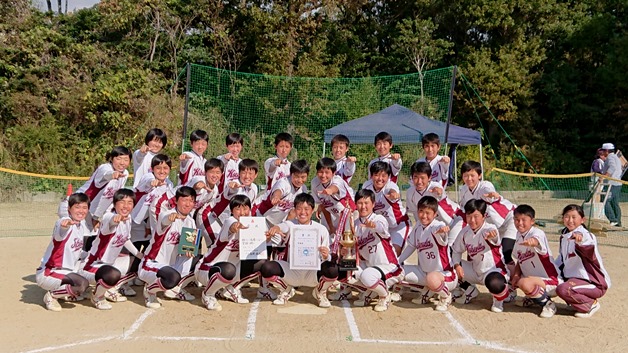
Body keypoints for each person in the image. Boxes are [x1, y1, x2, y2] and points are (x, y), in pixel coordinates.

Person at [260, 193, 339, 307]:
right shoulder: (291, 224)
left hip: (312, 273)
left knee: (333, 270)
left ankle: (320, 292)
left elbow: (328, 256)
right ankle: (286, 290)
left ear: (312, 210)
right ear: (295, 210)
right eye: (299, 209)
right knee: (267, 268)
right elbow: (283, 226)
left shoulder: (321, 229)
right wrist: (276, 228)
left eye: (306, 209)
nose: (302, 212)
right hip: (292, 271)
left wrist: (326, 255)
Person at [334, 189, 403, 312]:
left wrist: (373, 226)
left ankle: (384, 295)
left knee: (367, 276)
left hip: (390, 267)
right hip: (370, 267)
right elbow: (355, 251)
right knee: (341, 266)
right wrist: (346, 251)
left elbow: (382, 228)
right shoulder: (354, 224)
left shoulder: (379, 218)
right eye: (360, 203)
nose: (363, 206)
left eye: (366, 203)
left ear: (373, 204)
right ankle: (352, 291)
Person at [195, 195, 267, 310]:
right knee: (229, 269)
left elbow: (258, 248)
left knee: (261, 262)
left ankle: (230, 289)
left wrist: (267, 237)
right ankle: (208, 294)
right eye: (238, 209)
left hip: (231, 269)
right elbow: (232, 227)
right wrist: (235, 226)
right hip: (208, 269)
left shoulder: (252, 225)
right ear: (232, 211)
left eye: (245, 208)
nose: (242, 212)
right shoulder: (230, 221)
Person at [79, 189, 144, 310]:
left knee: (142, 261)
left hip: (111, 264)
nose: (126, 206)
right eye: (122, 202)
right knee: (112, 274)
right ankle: (97, 296)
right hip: (92, 265)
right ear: (114, 204)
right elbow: (111, 221)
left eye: (130, 202)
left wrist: (138, 254)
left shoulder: (128, 218)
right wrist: (115, 219)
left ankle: (111, 288)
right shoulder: (109, 216)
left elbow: (125, 239)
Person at [138, 186, 201, 308]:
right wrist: (170, 218)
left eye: (191, 200)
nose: (188, 204)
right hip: (152, 263)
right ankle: (150, 290)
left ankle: (174, 289)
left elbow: (187, 247)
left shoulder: (190, 221)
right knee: (172, 277)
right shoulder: (166, 214)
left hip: (171, 265)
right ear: (176, 201)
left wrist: (189, 251)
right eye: (184, 200)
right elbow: (165, 220)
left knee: (199, 260)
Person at [60, 146, 131, 251]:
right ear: (111, 158)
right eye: (118, 158)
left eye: (126, 159)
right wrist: (112, 175)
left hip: (90, 211)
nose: (122, 162)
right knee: (73, 238)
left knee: (91, 239)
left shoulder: (125, 174)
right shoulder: (105, 168)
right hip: (74, 205)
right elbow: (106, 175)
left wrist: (97, 217)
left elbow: (109, 197)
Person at [397, 196, 456, 311]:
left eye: (428, 213)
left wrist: (442, 232)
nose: (424, 216)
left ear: (435, 214)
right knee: (396, 272)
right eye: (421, 211)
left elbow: (441, 230)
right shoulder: (418, 226)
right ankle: (428, 291)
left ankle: (445, 296)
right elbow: (411, 246)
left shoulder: (437, 225)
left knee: (432, 278)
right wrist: (397, 262)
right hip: (424, 272)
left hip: (445, 275)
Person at [452, 199, 510, 313]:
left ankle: (500, 298)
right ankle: (469, 290)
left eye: (476, 216)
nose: (472, 220)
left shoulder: (489, 228)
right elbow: (455, 251)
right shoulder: (465, 232)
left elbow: (495, 237)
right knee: (448, 264)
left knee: (495, 284)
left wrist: (492, 236)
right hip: (475, 270)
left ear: (484, 216)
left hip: (493, 271)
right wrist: (457, 265)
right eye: (469, 216)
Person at [36, 193, 90, 311]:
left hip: (66, 272)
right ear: (69, 209)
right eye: (77, 207)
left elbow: (78, 252)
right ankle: (52, 296)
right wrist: (64, 225)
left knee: (89, 269)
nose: (81, 211)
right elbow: (61, 228)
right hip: (49, 273)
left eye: (84, 207)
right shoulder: (65, 223)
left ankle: (65, 292)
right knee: (82, 285)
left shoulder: (81, 226)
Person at [555, 204, 611, 318]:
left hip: (594, 283)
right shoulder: (564, 236)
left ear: (582, 220)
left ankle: (591, 304)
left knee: (563, 289)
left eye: (574, 217)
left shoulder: (587, 235)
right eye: (567, 216)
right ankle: (576, 302)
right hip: (574, 279)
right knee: (552, 284)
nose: (570, 220)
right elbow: (560, 259)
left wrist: (580, 241)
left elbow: (587, 245)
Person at [458, 160, 516, 265]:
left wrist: (491, 194)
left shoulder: (484, 185)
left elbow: (488, 190)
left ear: (479, 176)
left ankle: (513, 278)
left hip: (509, 220)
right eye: (466, 175)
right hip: (493, 226)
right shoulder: (464, 191)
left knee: (506, 253)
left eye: (472, 175)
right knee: (475, 252)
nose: (469, 179)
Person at [510, 205, 561, 318]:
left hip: (551, 281)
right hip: (536, 281)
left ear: (532, 221)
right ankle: (533, 297)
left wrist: (532, 242)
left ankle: (548, 304)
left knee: (524, 283)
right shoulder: (519, 235)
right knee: (509, 271)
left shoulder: (537, 233)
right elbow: (520, 259)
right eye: (517, 219)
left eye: (524, 220)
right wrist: (516, 275)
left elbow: (537, 240)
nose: (520, 223)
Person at [130, 154, 174, 282]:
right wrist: (153, 183)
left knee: (148, 248)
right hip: (135, 219)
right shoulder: (148, 177)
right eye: (158, 168)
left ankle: (138, 275)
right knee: (133, 248)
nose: (162, 171)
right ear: (152, 169)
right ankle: (124, 282)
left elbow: (157, 205)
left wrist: (149, 225)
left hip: (149, 221)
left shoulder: (169, 184)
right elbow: (147, 183)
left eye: (165, 168)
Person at [406, 161, 462, 245]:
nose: (419, 181)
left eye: (422, 178)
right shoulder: (410, 193)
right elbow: (416, 213)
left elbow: (440, 191)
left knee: (450, 251)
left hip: (456, 220)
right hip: (439, 226)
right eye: (416, 177)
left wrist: (439, 192)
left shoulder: (434, 187)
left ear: (429, 178)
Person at [362, 161, 410, 255]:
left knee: (394, 253)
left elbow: (392, 191)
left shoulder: (390, 186)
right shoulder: (367, 187)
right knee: (379, 254)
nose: (380, 179)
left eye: (383, 175)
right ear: (371, 176)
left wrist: (394, 195)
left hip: (398, 225)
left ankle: (400, 266)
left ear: (388, 177)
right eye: (376, 175)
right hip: (381, 226)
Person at [311, 157, 356, 237]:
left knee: (349, 242)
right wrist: (331, 226)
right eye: (320, 172)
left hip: (350, 214)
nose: (323, 175)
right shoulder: (315, 183)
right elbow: (324, 206)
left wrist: (330, 191)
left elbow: (335, 187)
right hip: (335, 215)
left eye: (327, 172)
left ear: (334, 173)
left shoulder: (338, 180)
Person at [256, 159, 309, 226]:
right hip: (261, 214)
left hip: (277, 223)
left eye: (303, 177)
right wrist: (276, 197)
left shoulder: (303, 189)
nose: (299, 180)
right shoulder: (284, 182)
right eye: (296, 176)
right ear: (290, 174)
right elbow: (278, 191)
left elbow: (293, 212)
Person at [194, 158, 225, 247]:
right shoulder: (199, 179)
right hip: (180, 213)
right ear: (205, 172)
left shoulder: (215, 190)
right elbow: (196, 183)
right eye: (211, 172)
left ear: (222, 174)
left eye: (217, 172)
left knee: (192, 247)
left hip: (193, 217)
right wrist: (198, 185)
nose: (214, 175)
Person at [600, 143, 623, 227]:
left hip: (611, 183)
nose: (602, 152)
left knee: (605, 200)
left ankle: (613, 219)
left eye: (603, 150)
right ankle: (618, 221)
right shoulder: (616, 157)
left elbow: (612, 167)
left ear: (607, 151)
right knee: (614, 202)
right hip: (617, 183)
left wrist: (603, 177)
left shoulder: (610, 157)